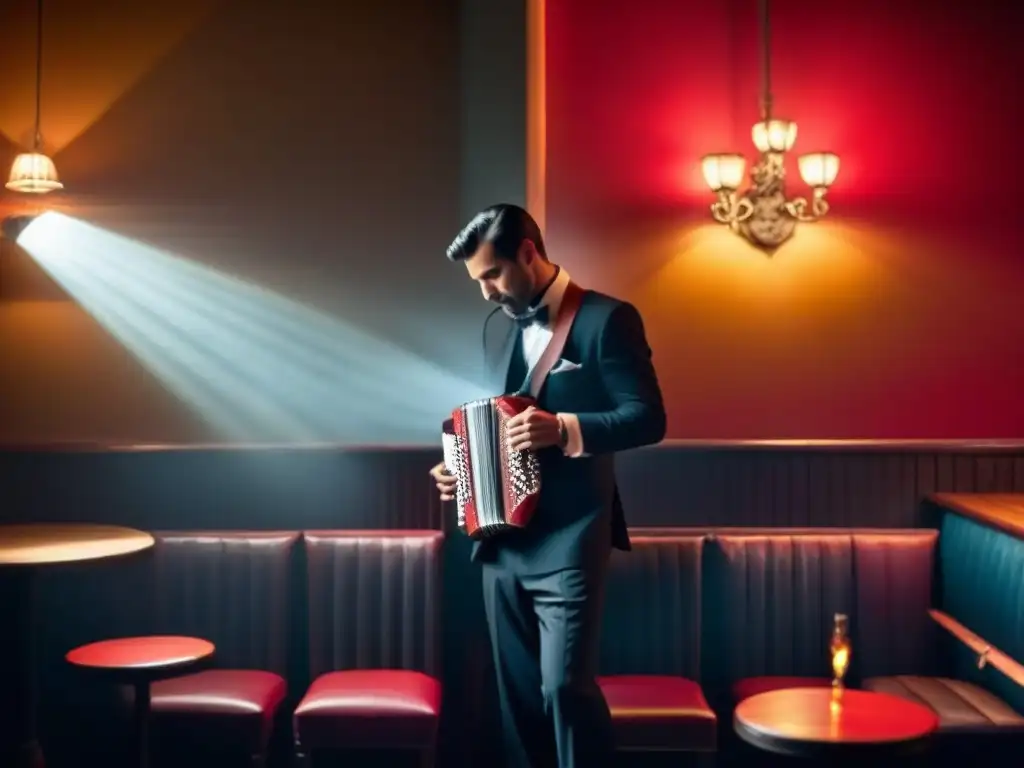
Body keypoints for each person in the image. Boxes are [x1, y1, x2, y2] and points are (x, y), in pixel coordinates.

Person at [430, 203, 666, 768]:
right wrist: (458, 468)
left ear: (529, 254)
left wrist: (563, 428)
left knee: (565, 691)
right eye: (478, 280)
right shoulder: (494, 332)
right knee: (516, 702)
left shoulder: (609, 319)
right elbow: (486, 419)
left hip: (571, 540)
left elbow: (649, 418)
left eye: (492, 274)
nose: (485, 292)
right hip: (500, 543)